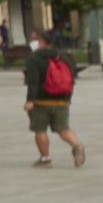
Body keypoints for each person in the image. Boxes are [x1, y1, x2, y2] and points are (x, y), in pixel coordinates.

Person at [23, 30, 85, 167]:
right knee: (64, 130)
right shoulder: (64, 56)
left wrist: (29, 101)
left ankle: (45, 159)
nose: (33, 43)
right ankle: (77, 145)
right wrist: (68, 97)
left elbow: (33, 82)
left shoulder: (34, 59)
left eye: (36, 40)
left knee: (40, 130)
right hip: (61, 100)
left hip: (41, 101)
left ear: (43, 42)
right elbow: (71, 78)